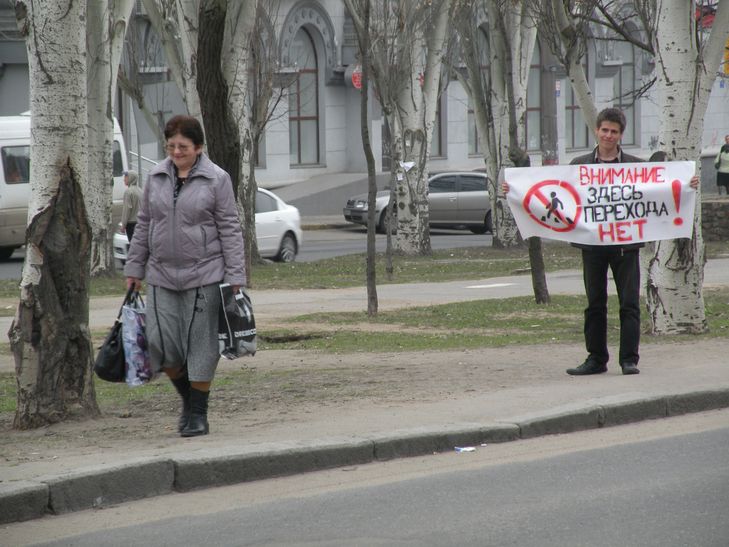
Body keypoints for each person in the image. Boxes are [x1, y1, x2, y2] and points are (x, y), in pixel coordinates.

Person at [503, 107, 699, 377]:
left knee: (629, 304)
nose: (608, 135)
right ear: (597, 131)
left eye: (614, 131)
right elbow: (554, 190)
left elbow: (660, 190)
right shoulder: (579, 165)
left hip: (626, 245)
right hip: (592, 245)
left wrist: (687, 184)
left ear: (621, 135)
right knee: (595, 304)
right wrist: (515, 188)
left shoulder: (635, 167)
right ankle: (596, 358)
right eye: (605, 130)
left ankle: (629, 359)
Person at [124, 115, 246, 437]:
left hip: (205, 274)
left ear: (199, 147)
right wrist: (135, 268)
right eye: (171, 146)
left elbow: (230, 229)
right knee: (160, 346)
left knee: (201, 348)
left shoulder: (217, 179)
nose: (176, 152)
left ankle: (198, 415)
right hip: (161, 275)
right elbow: (144, 224)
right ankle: (190, 402)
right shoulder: (156, 176)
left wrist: (235, 276)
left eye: (183, 147)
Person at [120, 170, 142, 242]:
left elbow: (127, 210)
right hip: (140, 223)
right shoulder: (141, 191)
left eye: (126, 177)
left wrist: (123, 225)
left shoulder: (128, 192)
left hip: (131, 224)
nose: (124, 179)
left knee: (133, 245)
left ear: (130, 178)